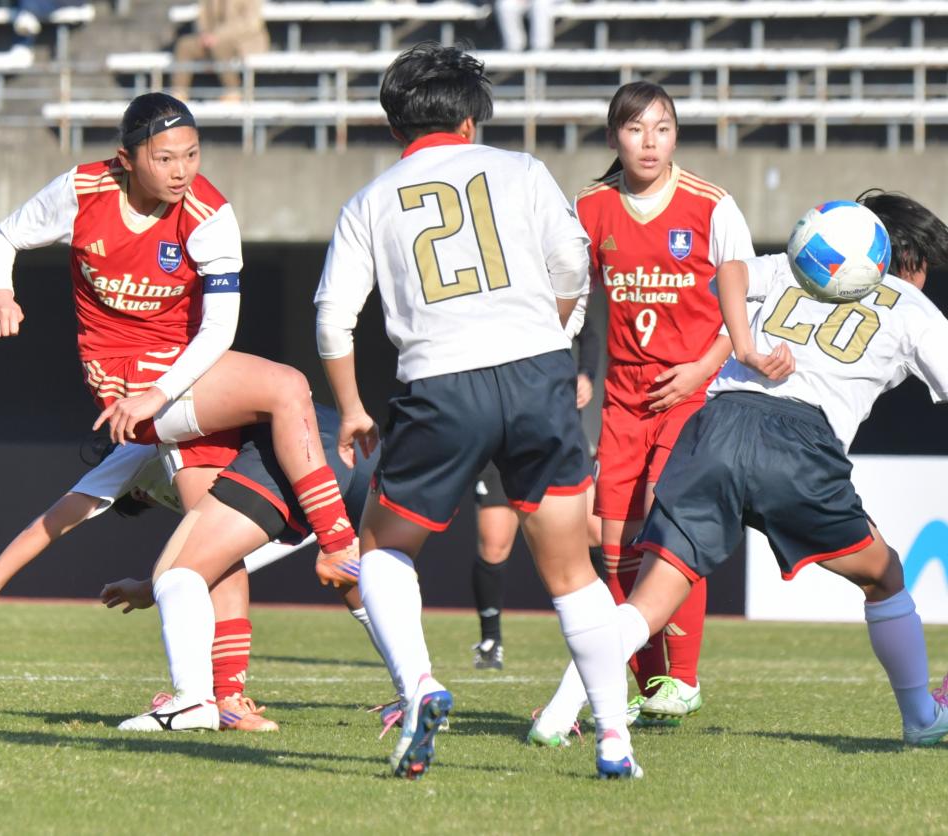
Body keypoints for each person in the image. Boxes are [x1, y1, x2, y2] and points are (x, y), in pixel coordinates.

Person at [315, 43, 639, 780]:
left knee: (384, 551)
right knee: (571, 573)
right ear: (469, 119)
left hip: (441, 385)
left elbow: (334, 319)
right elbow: (573, 267)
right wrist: (544, 341)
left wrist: (352, 407)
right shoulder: (522, 170)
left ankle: (421, 685)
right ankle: (615, 741)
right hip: (536, 376)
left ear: (396, 124)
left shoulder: (368, 201)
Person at [579, 195, 948, 753]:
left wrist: (745, 347)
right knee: (884, 574)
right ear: (908, 260)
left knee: (649, 601)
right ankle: (921, 716)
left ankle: (563, 711)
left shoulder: (791, 270)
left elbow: (726, 271)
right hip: (797, 450)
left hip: (714, 427)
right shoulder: (912, 307)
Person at [0, 92, 359, 584]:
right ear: (127, 160)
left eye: (192, 154)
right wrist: (0, 293)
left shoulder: (210, 214)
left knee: (218, 555)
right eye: (164, 158)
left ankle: (230, 664)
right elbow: (4, 237)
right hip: (123, 384)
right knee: (286, 385)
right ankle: (336, 543)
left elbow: (220, 328)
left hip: (181, 378)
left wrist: (160, 392)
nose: (181, 171)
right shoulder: (82, 190)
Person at [527, 81, 756, 745]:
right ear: (613, 138)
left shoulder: (714, 208)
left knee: (671, 519)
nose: (649, 142)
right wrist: (570, 367)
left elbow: (750, 305)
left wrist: (704, 365)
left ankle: (682, 677)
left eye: (662, 128)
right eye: (636, 130)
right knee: (615, 544)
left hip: (693, 392)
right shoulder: (591, 209)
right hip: (625, 398)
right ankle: (649, 686)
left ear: (676, 135)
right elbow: (573, 302)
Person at [112, 406, 396, 732]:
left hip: (308, 448)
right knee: (360, 580)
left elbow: (68, 510)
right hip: (356, 441)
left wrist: (152, 587)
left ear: (138, 489)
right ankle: (419, 689)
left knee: (196, 571)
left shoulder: (169, 447)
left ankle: (219, 700)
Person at [470, 315, 604, 670]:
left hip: (554, 431)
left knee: (596, 531)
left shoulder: (557, 280)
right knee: (495, 543)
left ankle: (615, 625)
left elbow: (588, 332)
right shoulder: (494, 298)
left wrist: (586, 374)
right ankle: (490, 640)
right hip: (500, 433)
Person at [171, 0, 269, 103]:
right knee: (184, 45)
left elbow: (251, 24)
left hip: (243, 41)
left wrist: (218, 36)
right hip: (211, 40)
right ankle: (179, 94)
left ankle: (233, 91)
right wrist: (204, 34)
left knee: (220, 46)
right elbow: (202, 17)